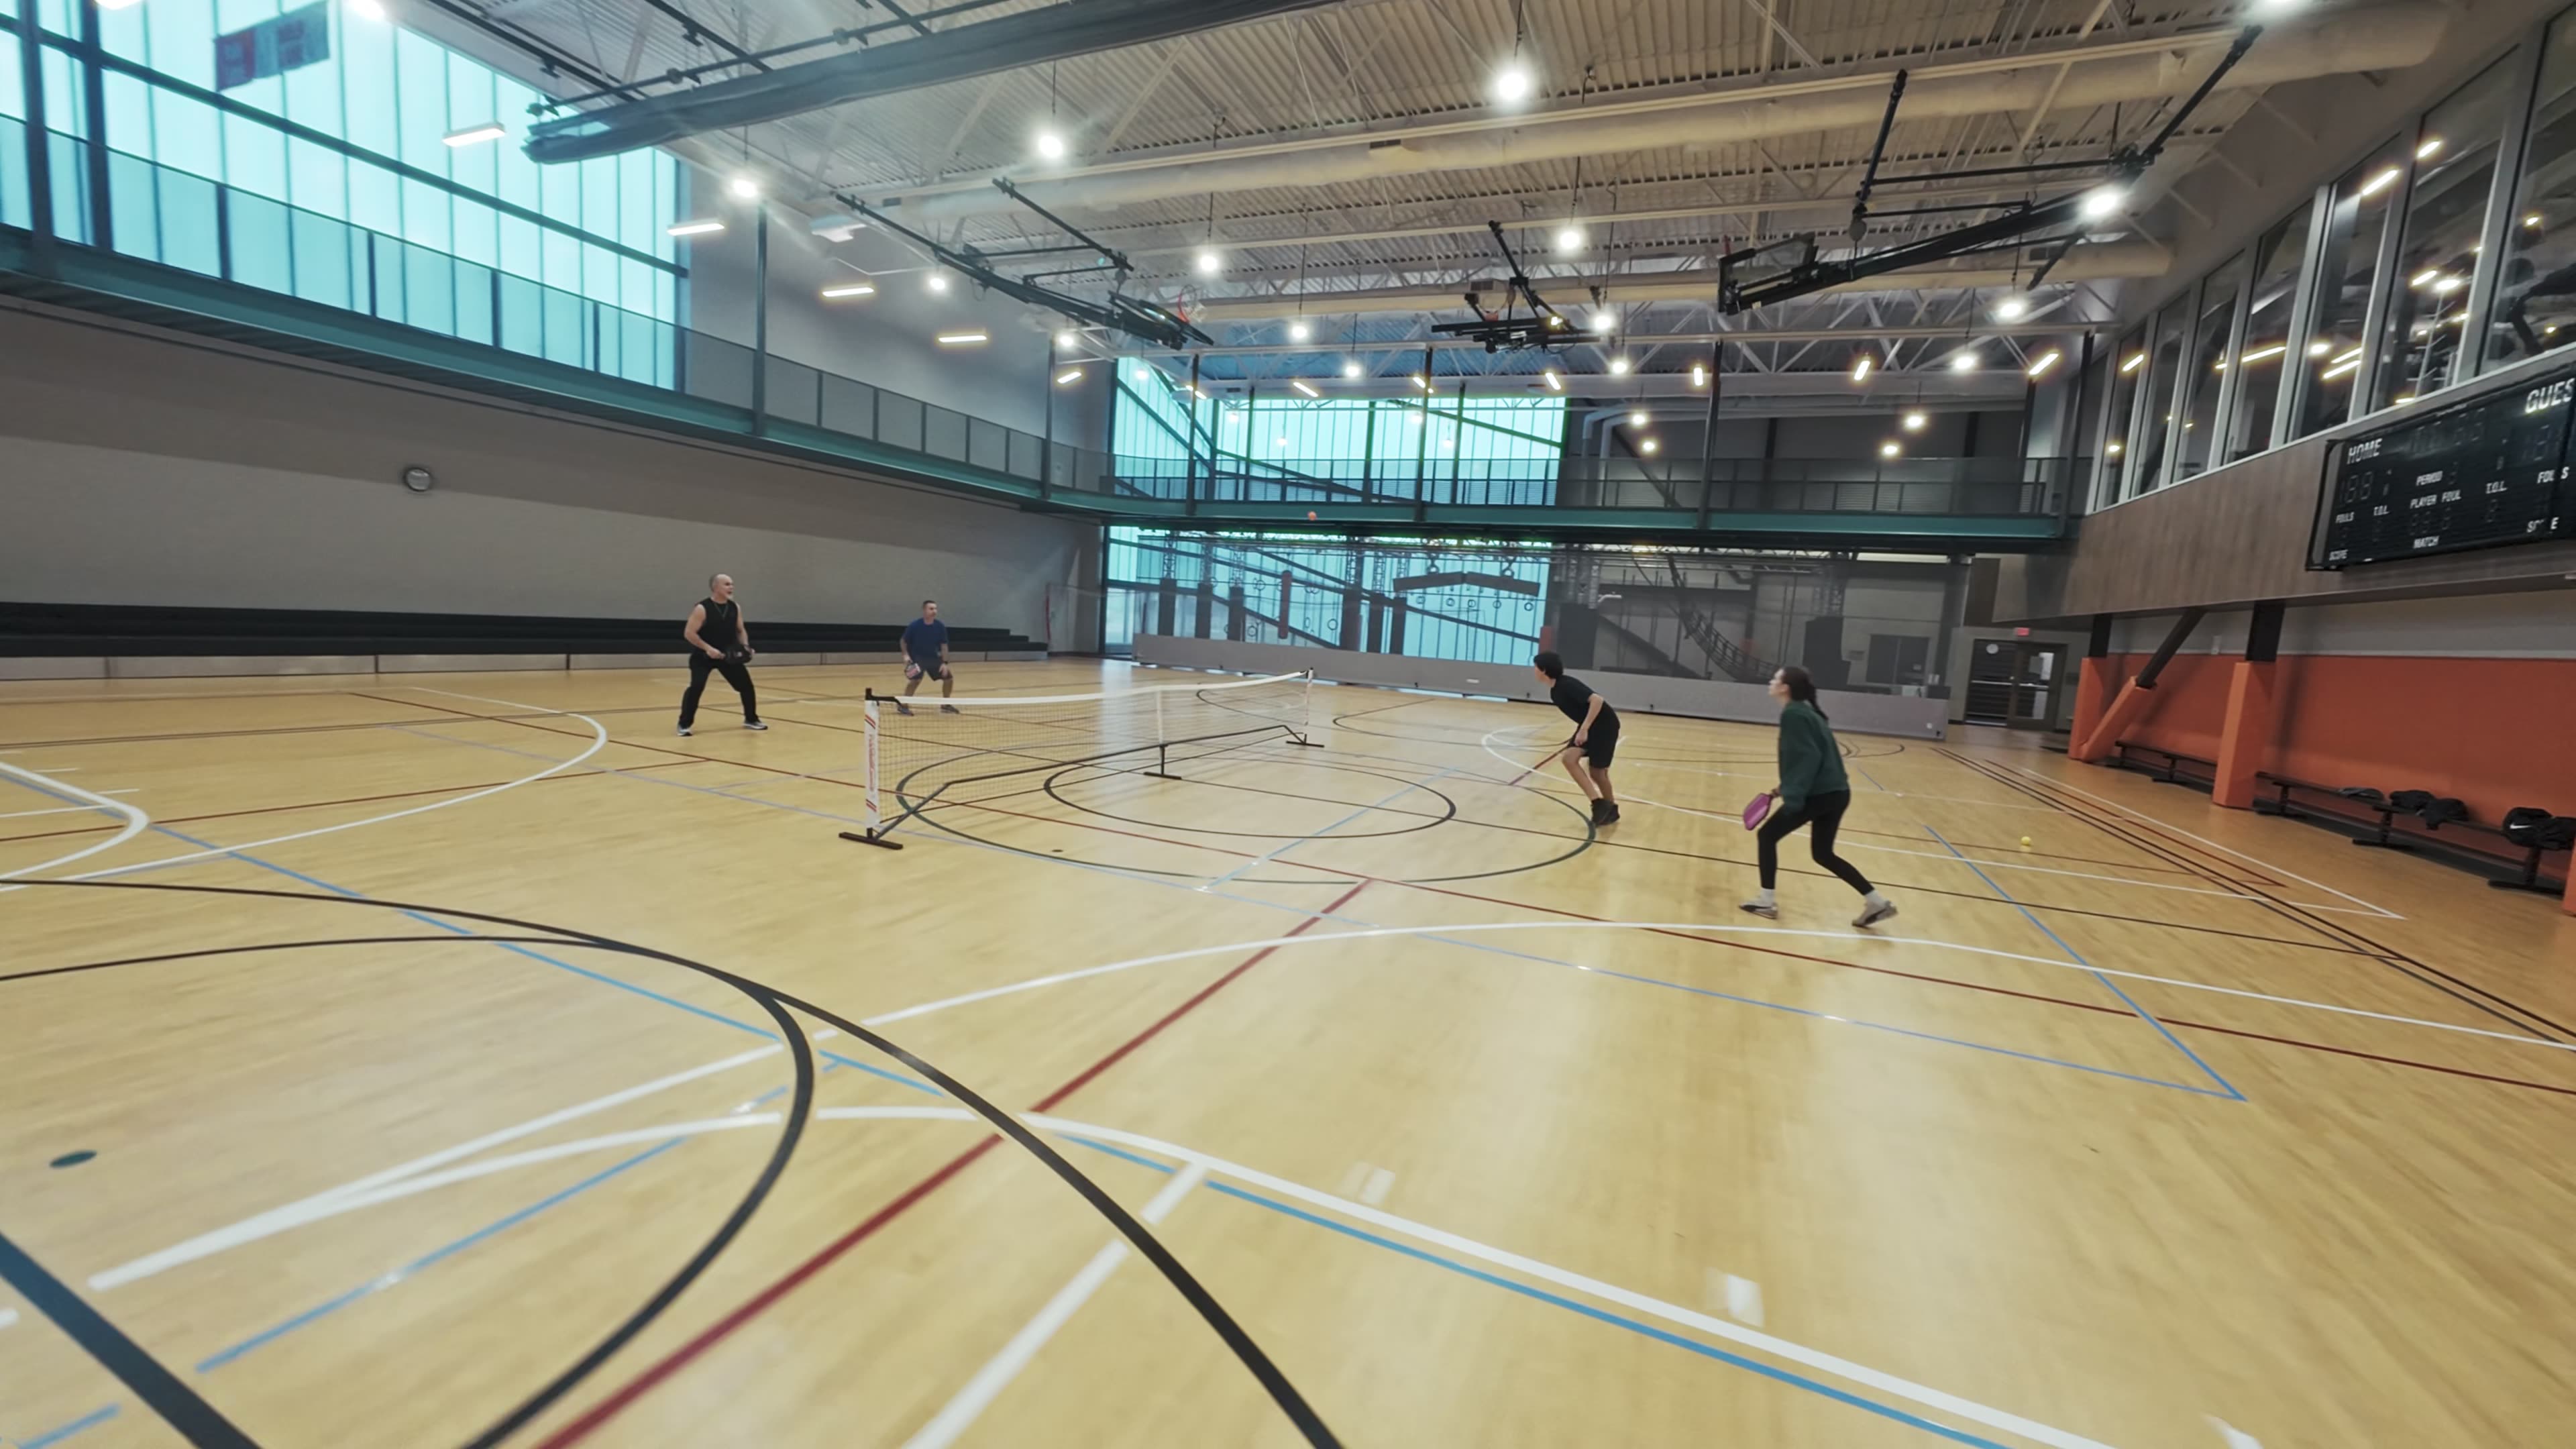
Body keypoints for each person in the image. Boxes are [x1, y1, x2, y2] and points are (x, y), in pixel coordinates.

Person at [1742, 665, 1896, 928]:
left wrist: (1794, 796)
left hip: (1818, 795)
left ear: (1785, 687)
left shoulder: (1793, 714)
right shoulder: (1807, 712)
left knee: (1767, 836)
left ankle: (1766, 901)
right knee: (1823, 853)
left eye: (1776, 679)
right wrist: (1786, 785)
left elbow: (1808, 758)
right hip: (1837, 793)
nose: (1771, 681)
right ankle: (1877, 902)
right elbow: (1814, 758)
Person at [1533, 651, 1619, 826]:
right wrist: (1581, 729)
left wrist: (1584, 729)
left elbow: (1597, 700)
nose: (1533, 670)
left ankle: (1609, 809)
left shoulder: (1566, 685)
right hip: (1590, 726)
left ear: (1543, 670)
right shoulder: (1555, 691)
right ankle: (1599, 804)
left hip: (1605, 726)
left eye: (1535, 667)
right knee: (1569, 759)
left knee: (1598, 773)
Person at [677, 573, 766, 737]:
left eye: (732, 584)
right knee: (696, 687)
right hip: (703, 657)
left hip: (728, 657)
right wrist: (708, 648)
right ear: (715, 587)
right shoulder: (702, 608)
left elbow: (740, 630)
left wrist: (745, 646)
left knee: (746, 687)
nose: (731, 587)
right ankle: (684, 724)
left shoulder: (735, 607)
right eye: (726, 584)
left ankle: (751, 719)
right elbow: (689, 633)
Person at [898, 599, 958, 716]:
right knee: (915, 680)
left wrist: (944, 663)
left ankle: (946, 704)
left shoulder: (940, 626)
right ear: (924, 610)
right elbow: (903, 641)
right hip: (917, 658)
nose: (934, 611)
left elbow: (944, 645)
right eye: (931, 609)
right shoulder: (915, 625)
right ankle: (903, 705)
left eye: (936, 609)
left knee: (948, 679)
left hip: (933, 658)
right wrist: (905, 655)